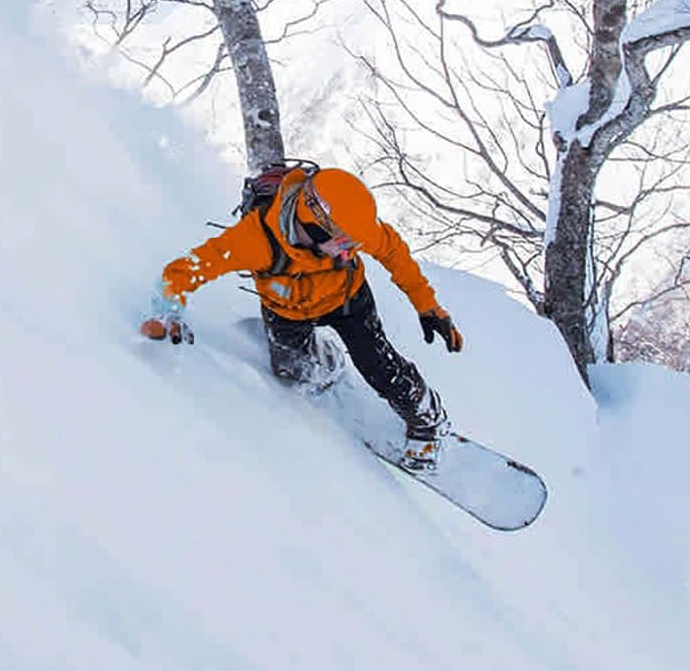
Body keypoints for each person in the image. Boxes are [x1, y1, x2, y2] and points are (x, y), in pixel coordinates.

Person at [140, 161, 464, 468]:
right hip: (287, 311)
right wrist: (167, 313)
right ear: (315, 228)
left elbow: (393, 251)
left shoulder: (352, 228)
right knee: (292, 372)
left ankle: (428, 422)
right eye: (345, 245)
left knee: (378, 365)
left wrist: (428, 307)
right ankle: (327, 362)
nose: (350, 253)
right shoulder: (253, 241)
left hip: (347, 300)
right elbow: (187, 270)